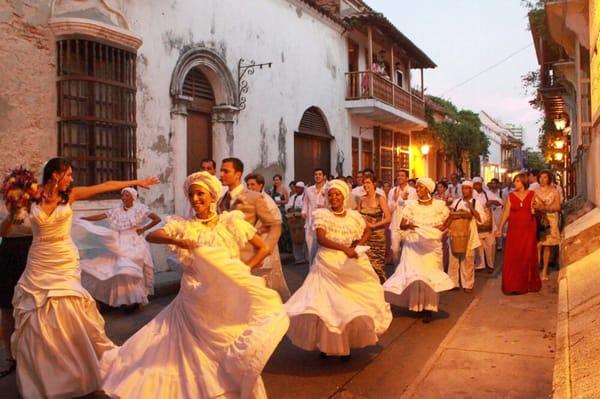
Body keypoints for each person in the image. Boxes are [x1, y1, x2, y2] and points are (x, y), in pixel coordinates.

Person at [100, 171, 289, 398]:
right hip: (194, 297)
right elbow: (153, 235)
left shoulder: (230, 222)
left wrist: (244, 269)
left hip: (225, 297)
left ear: (212, 196)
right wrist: (178, 240)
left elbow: (263, 248)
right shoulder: (184, 226)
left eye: (200, 194)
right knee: (192, 351)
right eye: (192, 195)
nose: (196, 199)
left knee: (227, 343)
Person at [12, 157, 159, 398]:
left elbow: (105, 186)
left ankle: (74, 369)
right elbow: (12, 219)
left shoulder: (70, 195)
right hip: (39, 258)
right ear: (55, 175)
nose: (71, 179)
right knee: (36, 314)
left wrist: (137, 181)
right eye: (68, 174)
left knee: (68, 308)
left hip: (64, 258)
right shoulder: (32, 195)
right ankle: (41, 373)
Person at [285, 180, 392, 359]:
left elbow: (367, 230)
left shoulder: (353, 215)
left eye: (338, 194)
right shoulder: (322, 214)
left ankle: (345, 344)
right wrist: (345, 249)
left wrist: (357, 245)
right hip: (327, 263)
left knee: (348, 305)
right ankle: (327, 345)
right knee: (327, 305)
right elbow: (321, 239)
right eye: (331, 194)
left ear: (344, 197)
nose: (334, 198)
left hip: (350, 264)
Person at [75, 187, 161, 308]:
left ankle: (135, 299)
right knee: (121, 271)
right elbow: (101, 216)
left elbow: (157, 219)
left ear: (133, 197)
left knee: (134, 271)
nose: (123, 198)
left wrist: (143, 229)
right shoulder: (117, 210)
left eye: (126, 195)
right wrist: (85, 219)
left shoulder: (140, 208)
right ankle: (125, 299)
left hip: (135, 242)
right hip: (120, 242)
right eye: (123, 195)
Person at [383, 178, 454, 323]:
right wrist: (410, 227)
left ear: (428, 189)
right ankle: (417, 305)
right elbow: (402, 224)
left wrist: (442, 229)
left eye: (420, 187)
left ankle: (429, 307)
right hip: (414, 244)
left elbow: (449, 217)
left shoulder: (439, 205)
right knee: (415, 275)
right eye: (417, 187)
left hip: (431, 246)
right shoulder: (411, 205)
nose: (418, 190)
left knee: (429, 275)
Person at [218, 159, 286, 299]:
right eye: (221, 171)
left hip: (248, 261)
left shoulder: (255, 197)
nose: (221, 174)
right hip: (226, 259)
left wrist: (265, 250)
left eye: (226, 171)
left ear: (238, 174)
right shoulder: (221, 200)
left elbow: (275, 224)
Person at [0, 167, 35, 378]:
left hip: (32, 252)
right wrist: (12, 213)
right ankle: (10, 358)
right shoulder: (5, 206)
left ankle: (32, 355)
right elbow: (2, 232)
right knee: (6, 306)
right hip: (8, 252)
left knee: (31, 305)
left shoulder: (37, 206)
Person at [245, 173, 291, 301]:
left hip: (265, 240)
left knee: (263, 274)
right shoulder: (248, 199)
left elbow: (276, 222)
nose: (250, 187)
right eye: (248, 185)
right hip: (251, 242)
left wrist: (258, 230)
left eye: (253, 184)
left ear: (261, 185)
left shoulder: (266, 200)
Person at [495, 173, 541, 294]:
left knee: (527, 254)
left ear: (524, 182)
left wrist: (537, 206)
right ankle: (513, 285)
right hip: (514, 230)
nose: (515, 183)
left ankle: (528, 284)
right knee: (514, 255)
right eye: (515, 181)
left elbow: (538, 207)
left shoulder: (532, 194)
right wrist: (500, 228)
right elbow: (506, 213)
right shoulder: (511, 196)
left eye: (517, 181)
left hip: (529, 228)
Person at [448, 181, 486, 293]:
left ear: (471, 190)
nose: (464, 190)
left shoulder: (476, 202)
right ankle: (453, 282)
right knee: (453, 259)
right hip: (455, 233)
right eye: (463, 188)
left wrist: (471, 209)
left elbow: (481, 219)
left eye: (467, 188)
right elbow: (450, 214)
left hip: (469, 233)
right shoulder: (457, 201)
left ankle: (468, 284)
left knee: (468, 259)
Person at [358, 173, 391, 283]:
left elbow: (388, 218)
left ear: (374, 184)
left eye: (368, 182)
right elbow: (357, 216)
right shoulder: (361, 199)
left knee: (377, 265)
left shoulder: (380, 198)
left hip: (377, 235)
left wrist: (374, 225)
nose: (365, 185)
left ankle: (380, 288)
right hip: (364, 236)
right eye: (364, 183)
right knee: (364, 264)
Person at [534, 170, 561, 281]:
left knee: (547, 247)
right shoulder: (534, 191)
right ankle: (536, 269)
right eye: (540, 177)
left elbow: (558, 207)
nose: (542, 179)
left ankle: (544, 270)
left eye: (545, 177)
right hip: (537, 220)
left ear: (549, 178)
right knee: (537, 246)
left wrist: (544, 208)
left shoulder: (554, 191)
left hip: (550, 221)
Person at [388, 170, 418, 263]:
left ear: (407, 178)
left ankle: (406, 272)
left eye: (402, 175)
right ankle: (397, 270)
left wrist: (402, 200)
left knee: (407, 251)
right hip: (395, 224)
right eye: (398, 175)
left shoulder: (412, 191)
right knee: (395, 250)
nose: (399, 177)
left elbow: (412, 207)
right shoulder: (393, 191)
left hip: (406, 225)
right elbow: (389, 209)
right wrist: (395, 199)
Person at [472, 177, 500, 273]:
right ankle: (480, 265)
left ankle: (490, 265)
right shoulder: (471, 195)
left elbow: (500, 202)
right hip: (476, 224)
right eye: (474, 184)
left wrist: (492, 202)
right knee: (478, 245)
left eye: (478, 184)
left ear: (481, 184)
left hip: (488, 224)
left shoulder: (488, 193)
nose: (476, 186)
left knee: (490, 245)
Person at [302, 168, 328, 263]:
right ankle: (311, 271)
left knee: (322, 249)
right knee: (310, 248)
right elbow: (305, 203)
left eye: (320, 174)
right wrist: (304, 212)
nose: (317, 176)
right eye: (316, 174)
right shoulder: (309, 190)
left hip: (324, 222)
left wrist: (325, 206)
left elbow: (331, 204)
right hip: (310, 222)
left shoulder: (328, 189)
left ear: (324, 176)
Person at [268, 174, 292, 254]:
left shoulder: (284, 189)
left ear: (280, 180)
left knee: (283, 227)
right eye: (275, 180)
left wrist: (279, 202)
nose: (276, 181)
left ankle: (285, 247)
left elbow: (287, 200)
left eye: (277, 180)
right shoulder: (272, 189)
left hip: (281, 209)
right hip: (274, 209)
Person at [286, 181, 308, 264]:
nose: (297, 189)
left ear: (303, 188)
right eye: (296, 188)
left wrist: (300, 210)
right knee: (295, 240)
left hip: (302, 221)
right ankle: (298, 258)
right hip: (294, 221)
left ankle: (306, 258)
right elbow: (288, 206)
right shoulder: (293, 197)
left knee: (304, 239)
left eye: (299, 188)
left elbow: (306, 207)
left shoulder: (306, 197)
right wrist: (290, 209)